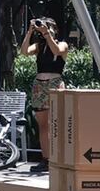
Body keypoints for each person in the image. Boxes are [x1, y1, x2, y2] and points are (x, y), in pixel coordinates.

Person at [20, 17, 68, 173]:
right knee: (43, 124)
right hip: (39, 84)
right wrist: (30, 32)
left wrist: (47, 34)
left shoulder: (62, 43)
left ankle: (59, 157)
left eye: (48, 27)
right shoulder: (39, 46)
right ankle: (45, 159)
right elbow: (24, 52)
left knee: (57, 123)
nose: (44, 29)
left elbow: (57, 51)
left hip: (55, 83)